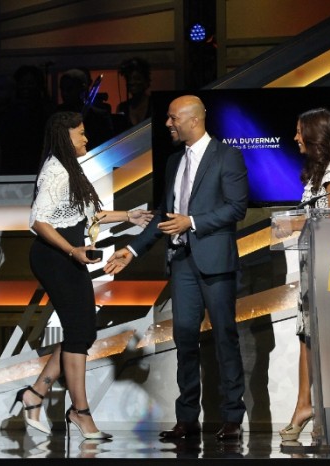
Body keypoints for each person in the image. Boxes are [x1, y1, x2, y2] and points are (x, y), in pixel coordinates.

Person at [103, 95, 248, 441]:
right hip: (182, 263)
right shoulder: (173, 162)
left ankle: (232, 418)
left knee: (225, 338)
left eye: (172, 119)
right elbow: (164, 217)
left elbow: (236, 208)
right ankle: (187, 420)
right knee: (184, 340)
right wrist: (132, 250)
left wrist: (193, 222)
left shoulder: (227, 156)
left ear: (192, 120)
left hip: (215, 263)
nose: (167, 124)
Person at [10, 111, 152, 439]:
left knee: (82, 333)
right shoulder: (55, 172)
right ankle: (80, 411)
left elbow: (91, 214)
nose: (86, 139)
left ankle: (35, 394)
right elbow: (38, 221)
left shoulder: (69, 169)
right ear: (65, 136)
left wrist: (129, 216)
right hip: (55, 258)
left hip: (67, 257)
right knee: (80, 334)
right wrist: (72, 251)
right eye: (81, 134)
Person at [277, 107, 330, 441]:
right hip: (311, 267)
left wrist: (293, 223)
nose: (295, 138)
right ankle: (305, 405)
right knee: (306, 339)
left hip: (329, 269)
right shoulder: (315, 172)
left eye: (299, 131)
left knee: (328, 341)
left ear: (314, 134)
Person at [116, 57, 152, 128]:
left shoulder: (154, 104)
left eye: (137, 78)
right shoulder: (122, 108)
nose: (132, 82)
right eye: (129, 79)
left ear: (146, 81)